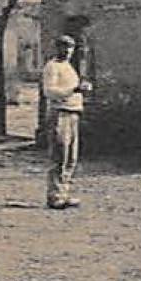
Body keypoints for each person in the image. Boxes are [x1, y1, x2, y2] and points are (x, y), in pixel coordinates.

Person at [41, 34, 91, 209]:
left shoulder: (69, 67)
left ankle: (65, 192)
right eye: (64, 47)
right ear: (57, 48)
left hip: (73, 113)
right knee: (59, 155)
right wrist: (73, 89)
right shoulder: (52, 67)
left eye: (70, 48)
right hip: (60, 113)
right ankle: (55, 196)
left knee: (71, 157)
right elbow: (50, 91)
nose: (67, 51)